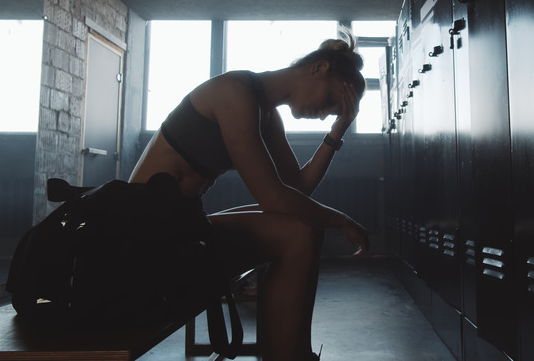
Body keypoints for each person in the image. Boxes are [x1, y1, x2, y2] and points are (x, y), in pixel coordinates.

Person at [129, 28, 370, 361]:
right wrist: (341, 220)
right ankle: (290, 357)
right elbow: (274, 199)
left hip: (181, 226)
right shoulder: (235, 91)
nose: (325, 112)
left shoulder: (266, 115)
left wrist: (337, 132)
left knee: (300, 223)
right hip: (142, 237)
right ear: (319, 68)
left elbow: (296, 191)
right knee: (298, 232)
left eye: (333, 112)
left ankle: (292, 354)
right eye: (331, 102)